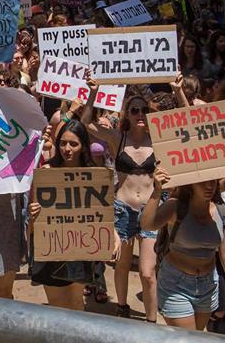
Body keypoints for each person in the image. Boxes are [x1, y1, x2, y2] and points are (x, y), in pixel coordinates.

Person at [82, 88, 159, 320]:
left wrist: (177, 90)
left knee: (147, 273)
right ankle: (122, 307)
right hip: (123, 208)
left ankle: (152, 320)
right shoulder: (118, 138)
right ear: (127, 114)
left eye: (144, 110)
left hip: (150, 210)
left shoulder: (158, 138)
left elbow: (185, 124)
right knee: (122, 264)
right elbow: (87, 123)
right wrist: (93, 93)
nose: (140, 114)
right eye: (134, 110)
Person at [28, 120, 118, 310]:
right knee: (57, 307)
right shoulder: (46, 174)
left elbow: (102, 212)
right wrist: (33, 214)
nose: (67, 149)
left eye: (73, 144)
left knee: (77, 304)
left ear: (83, 146)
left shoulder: (94, 175)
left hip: (79, 248)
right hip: (51, 249)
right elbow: (32, 223)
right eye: (63, 143)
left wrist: (114, 235)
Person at [142, 168, 225, 331]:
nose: (209, 186)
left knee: (197, 335)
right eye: (203, 181)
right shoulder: (175, 206)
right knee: (188, 339)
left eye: (213, 181)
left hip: (208, 285)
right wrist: (157, 191)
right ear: (191, 184)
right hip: (176, 285)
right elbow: (147, 224)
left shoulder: (222, 211)